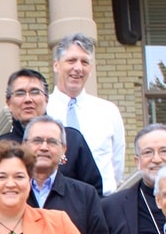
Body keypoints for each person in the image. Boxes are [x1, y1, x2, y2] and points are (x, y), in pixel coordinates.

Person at [0, 68, 102, 197]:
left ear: (46, 99)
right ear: (8, 103)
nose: (28, 99)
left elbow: (94, 191)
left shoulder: (72, 139)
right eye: (20, 93)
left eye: (35, 92)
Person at [46, 33, 126, 195]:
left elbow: (117, 164)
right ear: (56, 66)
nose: (78, 68)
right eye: (71, 61)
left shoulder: (108, 111)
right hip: (53, 201)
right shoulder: (43, 110)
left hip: (102, 202)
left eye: (85, 62)